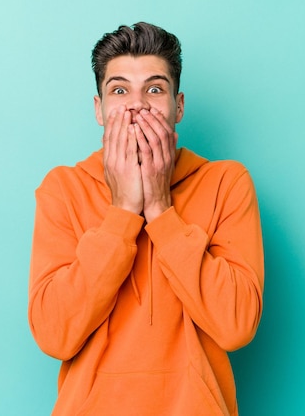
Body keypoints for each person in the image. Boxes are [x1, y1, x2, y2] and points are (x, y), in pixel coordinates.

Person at [28, 22, 264, 415]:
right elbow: (55, 336)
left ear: (179, 106)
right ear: (99, 110)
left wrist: (159, 207)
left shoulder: (227, 183)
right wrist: (122, 213)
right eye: (119, 90)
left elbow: (236, 326)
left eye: (155, 89)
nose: (137, 105)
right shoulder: (63, 189)